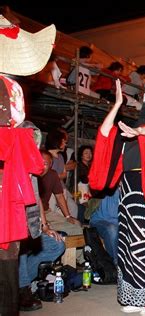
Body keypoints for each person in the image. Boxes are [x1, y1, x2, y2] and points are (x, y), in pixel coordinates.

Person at [89, 80, 145, 314]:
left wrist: (140, 132)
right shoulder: (133, 127)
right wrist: (117, 104)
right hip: (128, 186)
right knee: (127, 243)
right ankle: (133, 297)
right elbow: (106, 134)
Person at [0, 9, 56, 314]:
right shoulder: (8, 89)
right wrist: (29, 146)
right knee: (6, 262)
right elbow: (22, 151)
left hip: (8, 179)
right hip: (4, 187)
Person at [38, 150, 82, 236]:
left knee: (77, 227)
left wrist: (68, 216)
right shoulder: (29, 175)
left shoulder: (52, 175)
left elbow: (59, 196)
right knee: (49, 235)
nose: (41, 166)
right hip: (32, 215)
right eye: (39, 162)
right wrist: (45, 225)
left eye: (45, 164)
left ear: (51, 165)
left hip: (47, 213)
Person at [89, 189, 119, 265]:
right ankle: (115, 266)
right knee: (112, 229)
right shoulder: (106, 181)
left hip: (118, 223)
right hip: (99, 220)